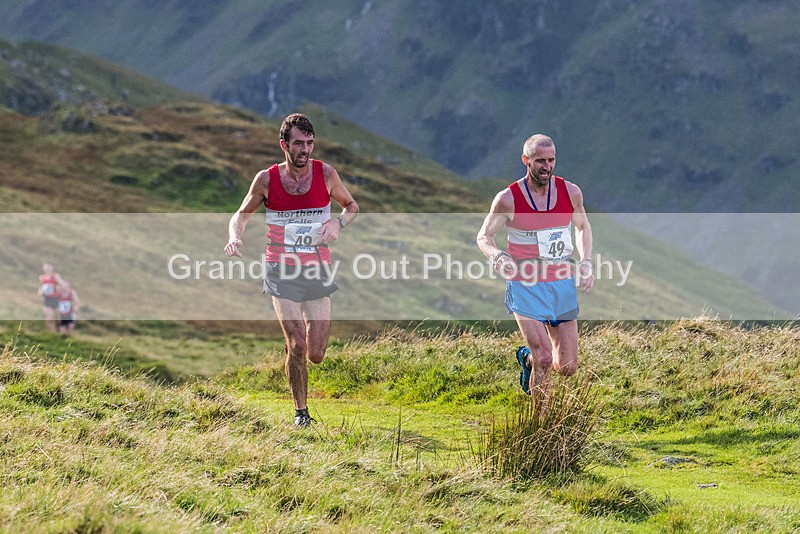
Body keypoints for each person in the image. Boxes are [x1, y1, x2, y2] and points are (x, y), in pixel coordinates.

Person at [224, 113, 359, 428]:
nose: (305, 150)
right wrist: (234, 237)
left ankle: (293, 346)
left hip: (316, 269)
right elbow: (241, 215)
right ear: (283, 144)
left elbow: (351, 206)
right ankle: (301, 414)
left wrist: (337, 224)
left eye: (309, 143)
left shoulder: (326, 174)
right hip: (280, 269)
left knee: (316, 353)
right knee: (298, 345)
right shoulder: (266, 180)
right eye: (298, 143)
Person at [477, 134, 594, 409]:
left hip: (561, 283)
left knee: (567, 366)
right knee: (544, 358)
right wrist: (497, 255)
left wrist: (586, 261)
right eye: (540, 161)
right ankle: (540, 426)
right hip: (525, 284)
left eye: (551, 160)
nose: (547, 166)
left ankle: (525, 358)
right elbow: (484, 236)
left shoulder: (571, 192)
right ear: (526, 160)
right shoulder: (508, 199)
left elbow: (582, 227)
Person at [37, 263, 64, 333]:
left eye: (49, 268)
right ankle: (51, 334)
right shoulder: (42, 278)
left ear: (52, 268)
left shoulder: (56, 276)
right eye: (46, 268)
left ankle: (60, 333)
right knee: (49, 318)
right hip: (48, 299)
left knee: (58, 320)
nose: (48, 269)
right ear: (43, 269)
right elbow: (41, 288)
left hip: (57, 299)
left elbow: (63, 285)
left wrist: (57, 287)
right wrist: (40, 292)